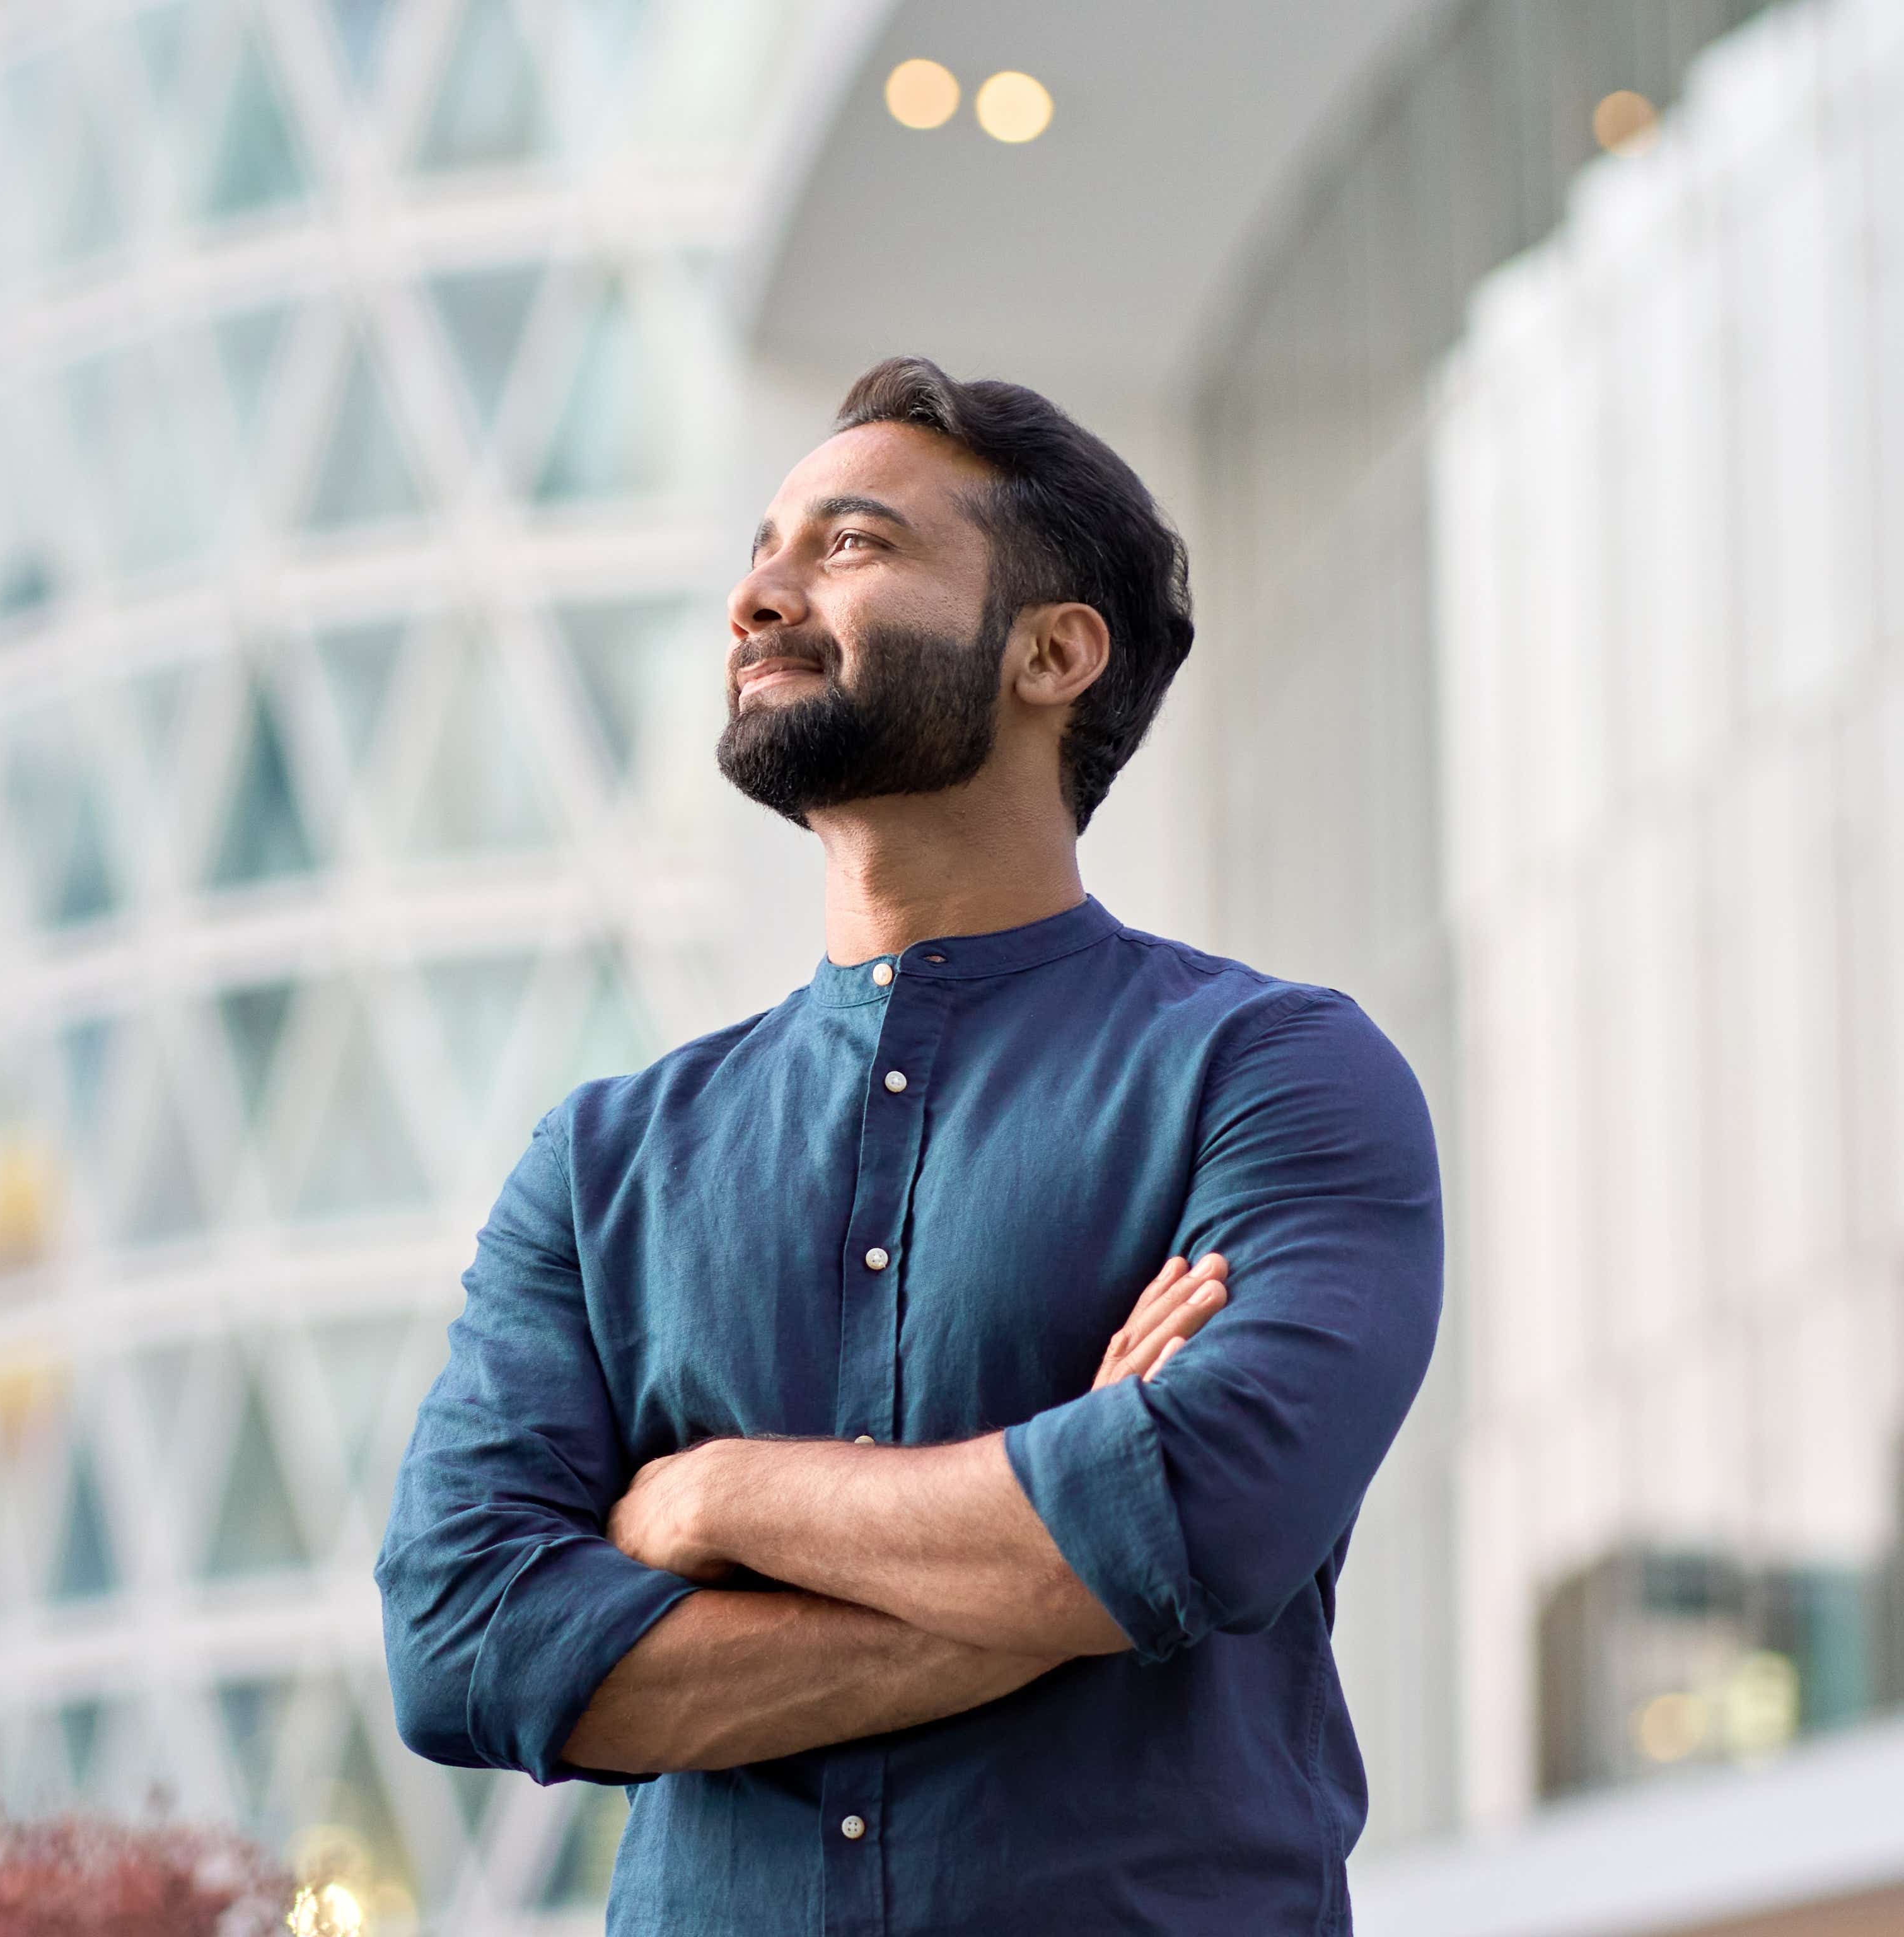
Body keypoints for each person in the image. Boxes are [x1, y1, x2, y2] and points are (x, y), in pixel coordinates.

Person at [374, 357, 1442, 1934]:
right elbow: (466, 1644)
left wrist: (720, 1500)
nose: (761, 597)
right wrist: (1056, 1548)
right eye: (763, 549)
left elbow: (1212, 1511)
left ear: (1053, 652)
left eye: (852, 546)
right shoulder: (602, 1165)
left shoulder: (1271, 1074)